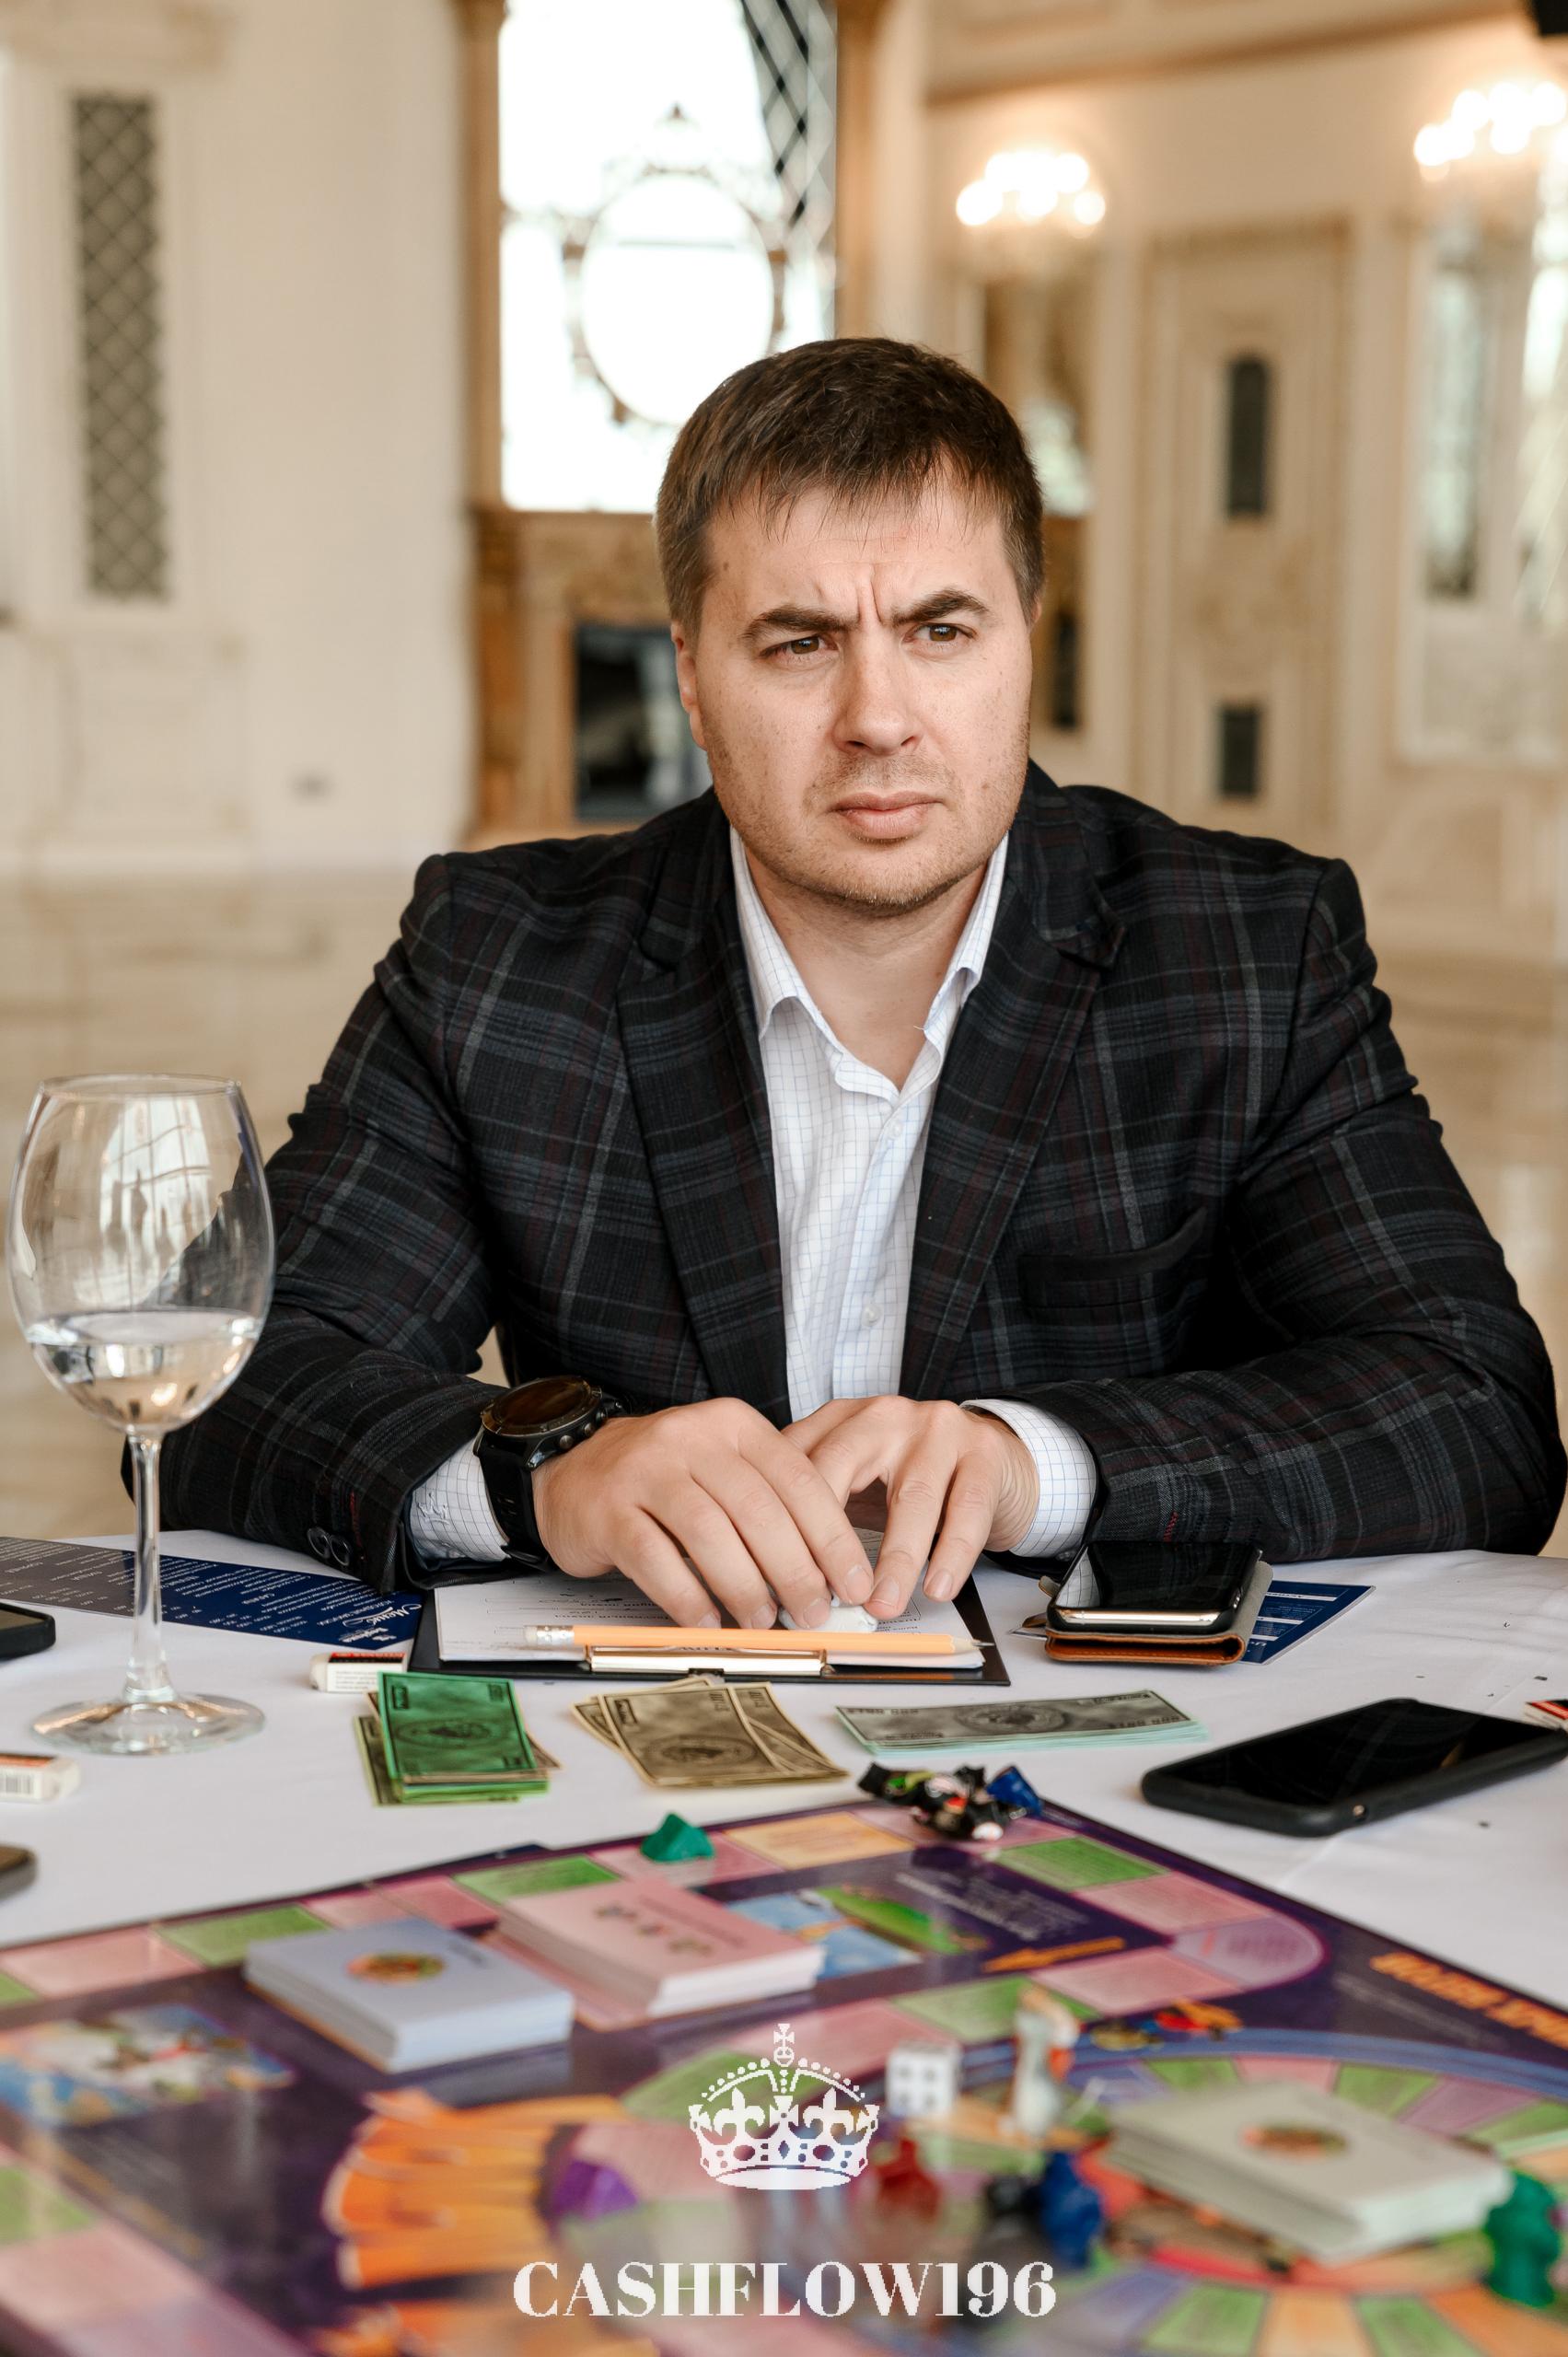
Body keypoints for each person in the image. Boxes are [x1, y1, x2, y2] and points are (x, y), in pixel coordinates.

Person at [160, 338, 1565, 1625]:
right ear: (692, 677)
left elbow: (1475, 1409)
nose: (878, 720)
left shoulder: (1247, 950)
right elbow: (222, 1381)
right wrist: (547, 1478)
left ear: (1027, 640)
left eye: (942, 632)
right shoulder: (500, 955)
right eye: (801, 643)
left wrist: (1037, 1464)